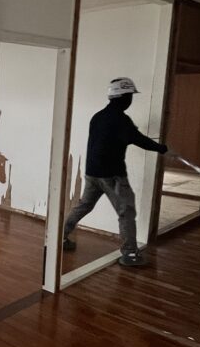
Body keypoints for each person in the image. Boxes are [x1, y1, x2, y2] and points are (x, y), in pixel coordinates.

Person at [62, 77, 167, 268]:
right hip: (112, 176)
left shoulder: (97, 117)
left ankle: (60, 237)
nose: (130, 100)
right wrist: (161, 148)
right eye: (129, 96)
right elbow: (139, 139)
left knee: (84, 205)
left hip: (92, 173)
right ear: (122, 97)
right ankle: (130, 254)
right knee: (126, 212)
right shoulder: (121, 120)